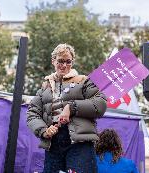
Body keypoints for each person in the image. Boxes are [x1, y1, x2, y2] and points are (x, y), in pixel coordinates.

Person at [27, 43, 107, 173]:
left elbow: (100, 104)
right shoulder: (45, 87)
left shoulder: (83, 81)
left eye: (68, 61)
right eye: (60, 61)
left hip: (79, 143)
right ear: (53, 61)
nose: (64, 65)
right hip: (53, 144)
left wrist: (72, 107)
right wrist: (44, 130)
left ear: (72, 62)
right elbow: (32, 113)